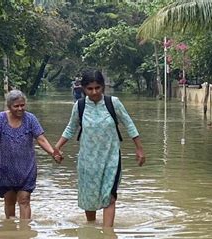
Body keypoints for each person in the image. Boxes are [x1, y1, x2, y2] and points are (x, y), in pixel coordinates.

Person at [54, 69, 145, 228]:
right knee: (89, 199)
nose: (94, 92)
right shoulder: (80, 106)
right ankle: (90, 229)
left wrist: (139, 149)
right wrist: (56, 147)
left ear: (103, 87)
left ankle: (108, 235)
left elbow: (129, 124)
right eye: (90, 89)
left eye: (97, 88)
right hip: (87, 161)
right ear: (83, 89)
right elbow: (70, 128)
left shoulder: (113, 103)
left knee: (109, 196)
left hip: (111, 158)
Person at [0, 90, 62, 219]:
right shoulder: (1, 118)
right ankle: (11, 230)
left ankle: (25, 233)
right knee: (9, 201)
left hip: (26, 168)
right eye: (16, 106)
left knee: (24, 200)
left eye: (22, 105)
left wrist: (53, 153)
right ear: (9, 106)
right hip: (5, 168)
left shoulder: (30, 119)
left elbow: (40, 139)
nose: (20, 108)